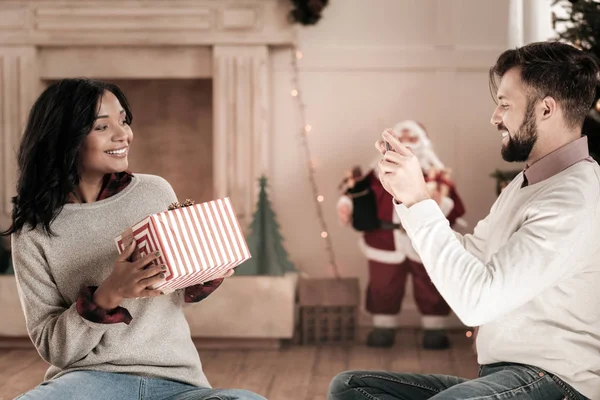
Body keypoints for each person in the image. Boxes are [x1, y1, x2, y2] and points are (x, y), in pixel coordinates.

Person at [329, 41, 600, 400]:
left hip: (559, 381)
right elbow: (472, 254)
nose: (495, 116)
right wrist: (410, 200)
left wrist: (420, 199)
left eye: (505, 104)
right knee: (351, 387)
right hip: (504, 374)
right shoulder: (527, 182)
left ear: (546, 109)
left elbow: (476, 302)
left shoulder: (572, 198)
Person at [1, 78, 265, 400]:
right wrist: (108, 295)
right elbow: (53, 346)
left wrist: (207, 268)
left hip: (177, 383)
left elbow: (177, 293)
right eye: (102, 126)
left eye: (124, 120)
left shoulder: (155, 192)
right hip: (87, 383)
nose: (123, 134)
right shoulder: (33, 230)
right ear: (64, 137)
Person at [337, 121, 465, 349]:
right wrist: (346, 204)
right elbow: (358, 191)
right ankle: (383, 326)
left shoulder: (438, 178)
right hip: (384, 242)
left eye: (412, 138)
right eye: (402, 137)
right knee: (383, 284)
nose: (407, 142)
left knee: (431, 283)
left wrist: (440, 204)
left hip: (423, 242)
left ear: (424, 143)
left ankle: (434, 328)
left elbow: (454, 206)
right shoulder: (380, 175)